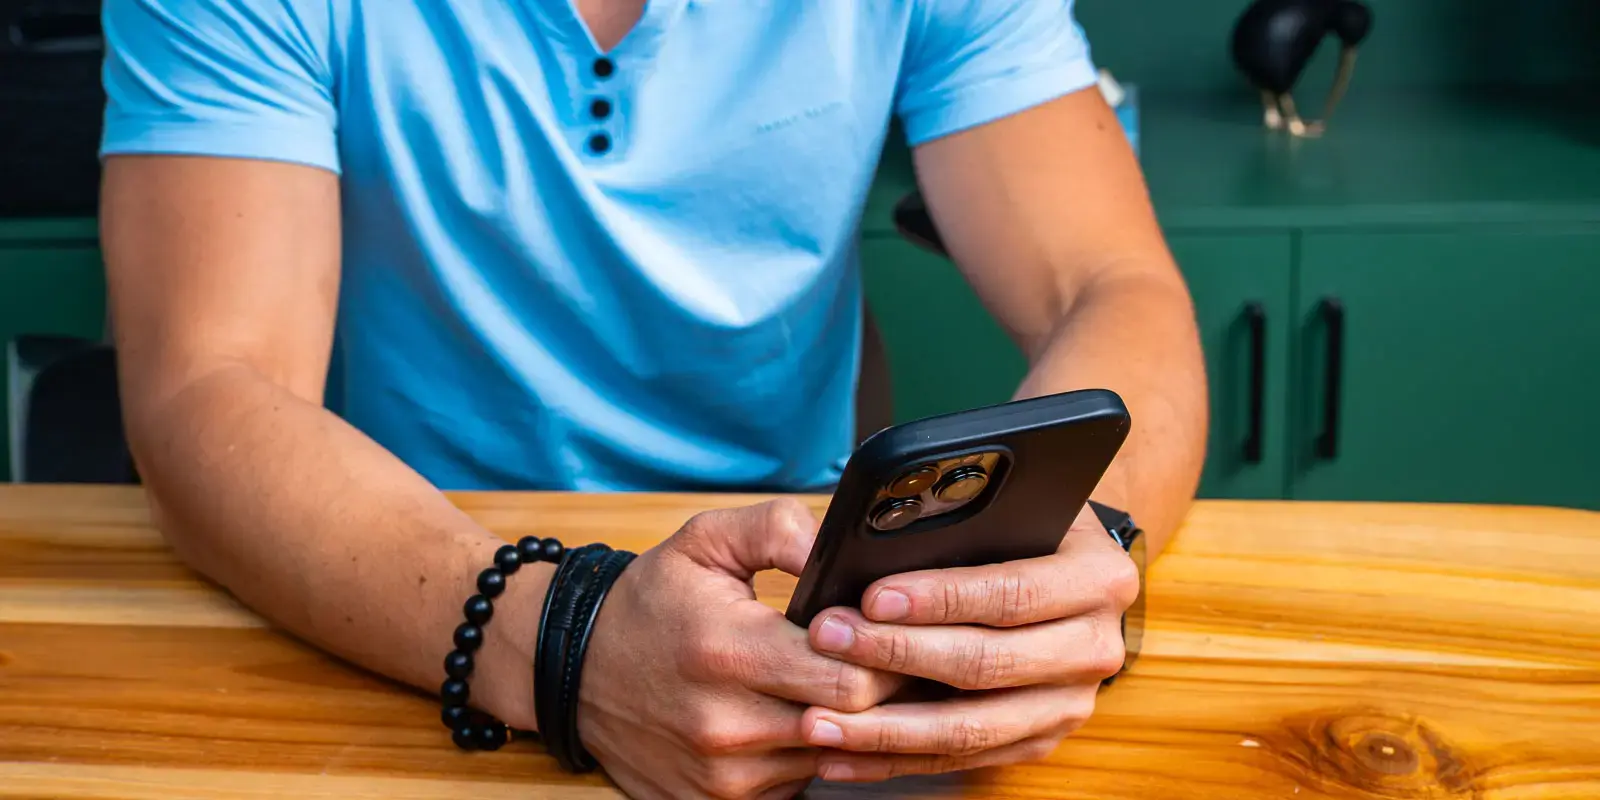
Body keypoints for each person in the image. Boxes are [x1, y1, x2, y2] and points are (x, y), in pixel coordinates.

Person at [98, 0, 1207, 796]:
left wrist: (1084, 548)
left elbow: (1113, 286)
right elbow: (209, 383)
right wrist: (564, 637)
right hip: (403, 591)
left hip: (804, 619)